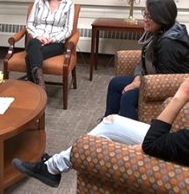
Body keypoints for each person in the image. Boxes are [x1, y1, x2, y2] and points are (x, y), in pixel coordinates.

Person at [12, 77, 189, 188]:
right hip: (177, 139)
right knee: (111, 120)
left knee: (109, 125)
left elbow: (153, 144)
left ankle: (51, 167)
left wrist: (180, 95)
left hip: (174, 156)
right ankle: (52, 165)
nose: (145, 18)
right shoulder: (152, 38)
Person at [104, 0, 189, 120]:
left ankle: (128, 135)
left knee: (129, 96)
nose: (145, 19)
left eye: (150, 16)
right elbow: (142, 60)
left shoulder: (169, 43)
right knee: (115, 83)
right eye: (145, 14)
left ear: (162, 18)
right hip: (149, 79)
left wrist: (138, 85)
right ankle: (108, 123)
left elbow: (164, 79)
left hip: (172, 85)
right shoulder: (156, 32)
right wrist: (137, 79)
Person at [25, 0, 74, 89]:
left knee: (30, 56)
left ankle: (35, 87)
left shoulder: (68, 4)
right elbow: (29, 24)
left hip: (55, 44)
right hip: (37, 40)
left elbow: (68, 30)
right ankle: (40, 84)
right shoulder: (39, 1)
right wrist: (38, 36)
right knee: (35, 44)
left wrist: (52, 39)